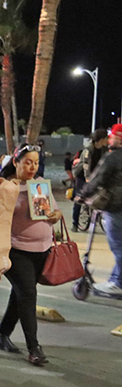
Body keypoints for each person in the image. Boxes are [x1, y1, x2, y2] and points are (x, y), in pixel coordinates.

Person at [0, 143, 61, 366]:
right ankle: (34, 347)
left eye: (36, 162)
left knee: (21, 294)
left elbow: (55, 209)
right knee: (28, 295)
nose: (32, 167)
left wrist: (55, 215)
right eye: (27, 162)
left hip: (42, 250)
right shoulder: (4, 186)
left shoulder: (39, 185)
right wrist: (5, 192)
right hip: (16, 250)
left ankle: (2, 335)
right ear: (16, 162)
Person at [82, 124, 122, 295]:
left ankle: (118, 283)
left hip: (116, 206)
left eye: (112, 136)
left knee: (118, 245)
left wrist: (82, 194)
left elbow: (97, 178)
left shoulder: (113, 157)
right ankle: (116, 278)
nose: (109, 139)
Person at [73, 129, 108, 231]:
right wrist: (87, 179)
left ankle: (94, 219)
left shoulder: (104, 149)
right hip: (81, 175)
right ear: (101, 139)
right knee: (79, 198)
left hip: (94, 175)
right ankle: (75, 223)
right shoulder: (88, 150)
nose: (107, 140)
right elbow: (86, 165)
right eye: (106, 138)